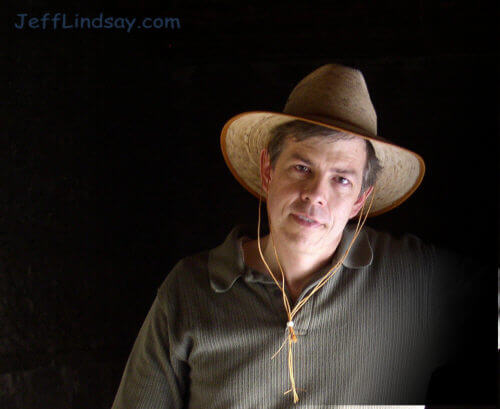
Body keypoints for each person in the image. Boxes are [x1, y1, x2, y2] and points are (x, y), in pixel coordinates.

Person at [111, 64, 490, 408]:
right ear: (268, 171)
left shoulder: (414, 280)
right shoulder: (189, 291)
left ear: (360, 199)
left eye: (341, 178)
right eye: (301, 167)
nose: (316, 194)